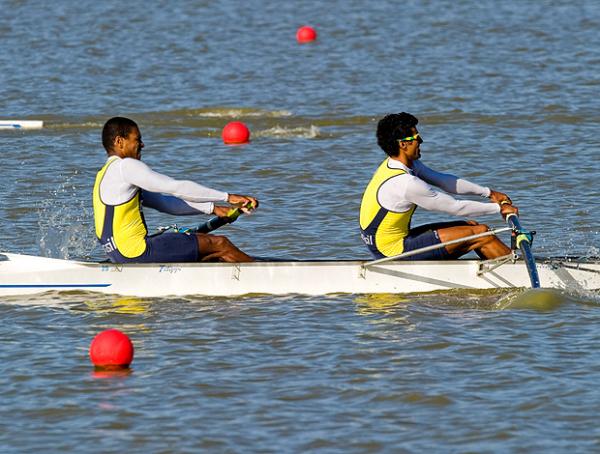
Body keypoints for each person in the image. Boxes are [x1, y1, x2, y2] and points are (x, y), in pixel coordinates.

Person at [93, 116, 258, 263]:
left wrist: (214, 209)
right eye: (137, 139)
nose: (142, 144)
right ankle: (264, 276)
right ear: (119, 141)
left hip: (118, 253)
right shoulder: (126, 166)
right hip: (136, 251)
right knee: (220, 244)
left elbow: (165, 202)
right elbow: (176, 187)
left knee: (210, 252)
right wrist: (227, 197)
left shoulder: (105, 174)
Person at [359, 112, 518, 260]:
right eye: (417, 137)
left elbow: (445, 181)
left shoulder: (396, 164)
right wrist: (499, 209)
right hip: (391, 251)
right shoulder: (406, 183)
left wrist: (489, 193)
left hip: (386, 241)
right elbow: (455, 207)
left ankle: (503, 267)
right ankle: (519, 274)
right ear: (403, 144)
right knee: (482, 234)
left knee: (471, 225)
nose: (421, 141)